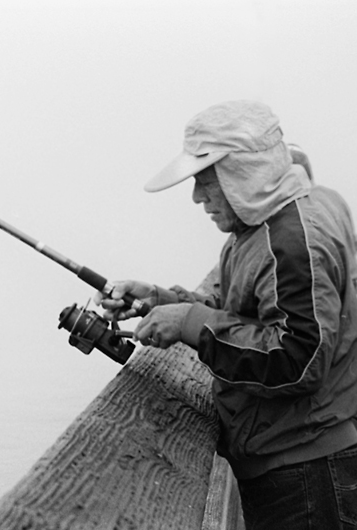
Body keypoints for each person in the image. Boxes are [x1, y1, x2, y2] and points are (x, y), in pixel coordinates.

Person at [96, 100, 357, 529]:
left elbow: (298, 360)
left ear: (240, 173)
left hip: (306, 471)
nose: (197, 197)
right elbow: (245, 309)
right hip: (297, 462)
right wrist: (163, 300)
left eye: (205, 181)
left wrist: (188, 323)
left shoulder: (290, 241)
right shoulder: (273, 221)